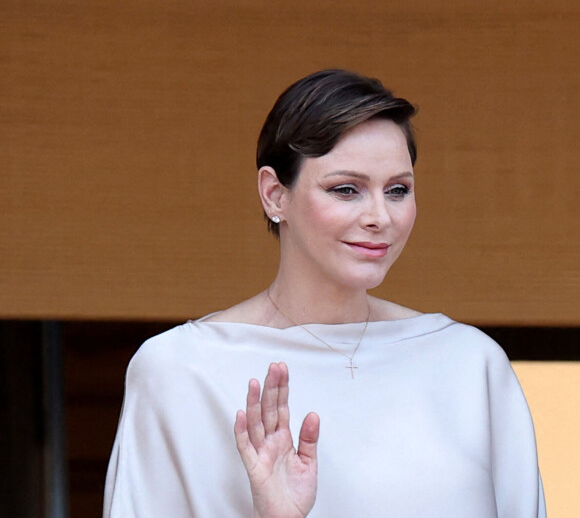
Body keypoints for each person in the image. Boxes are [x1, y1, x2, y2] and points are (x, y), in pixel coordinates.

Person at [103, 69, 546, 517]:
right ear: (275, 195)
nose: (379, 216)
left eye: (397, 190)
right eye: (346, 189)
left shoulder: (470, 365)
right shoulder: (181, 371)